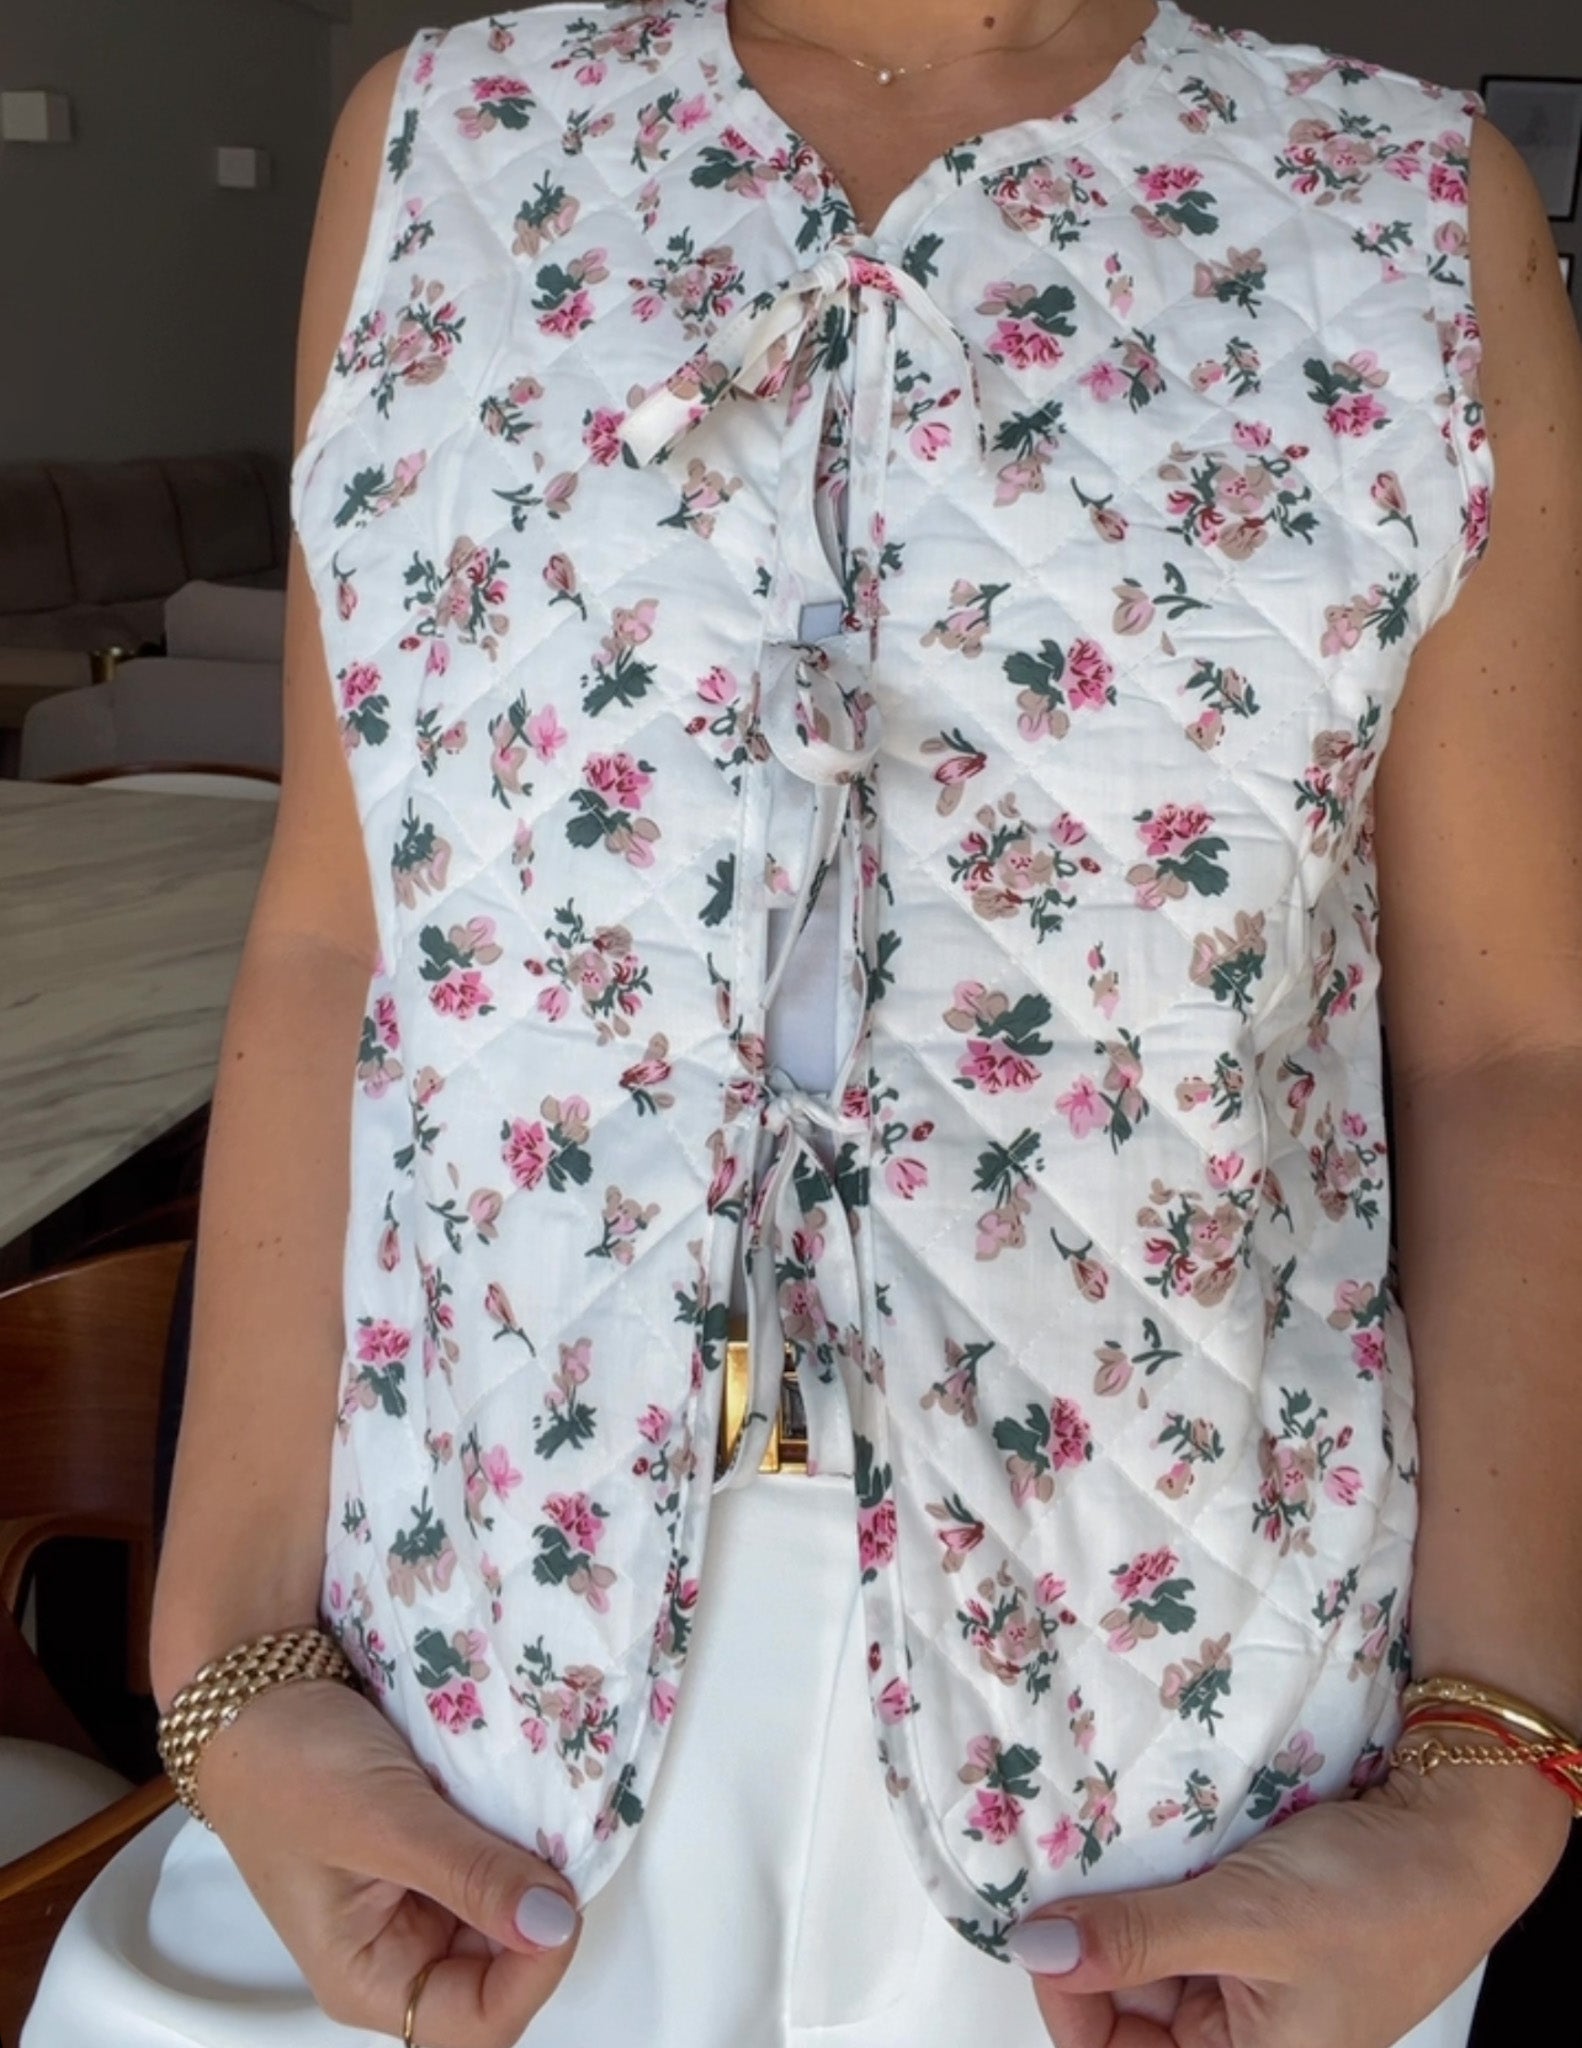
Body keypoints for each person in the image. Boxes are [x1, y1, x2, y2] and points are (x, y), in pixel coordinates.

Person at [22, 4, 1581, 2047]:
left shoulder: (1401, 208)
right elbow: (340, 939)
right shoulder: (447, 143)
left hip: (1194, 1785)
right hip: (451, 1728)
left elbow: (1506, 1054)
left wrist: (1496, 1758)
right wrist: (220, 1659)